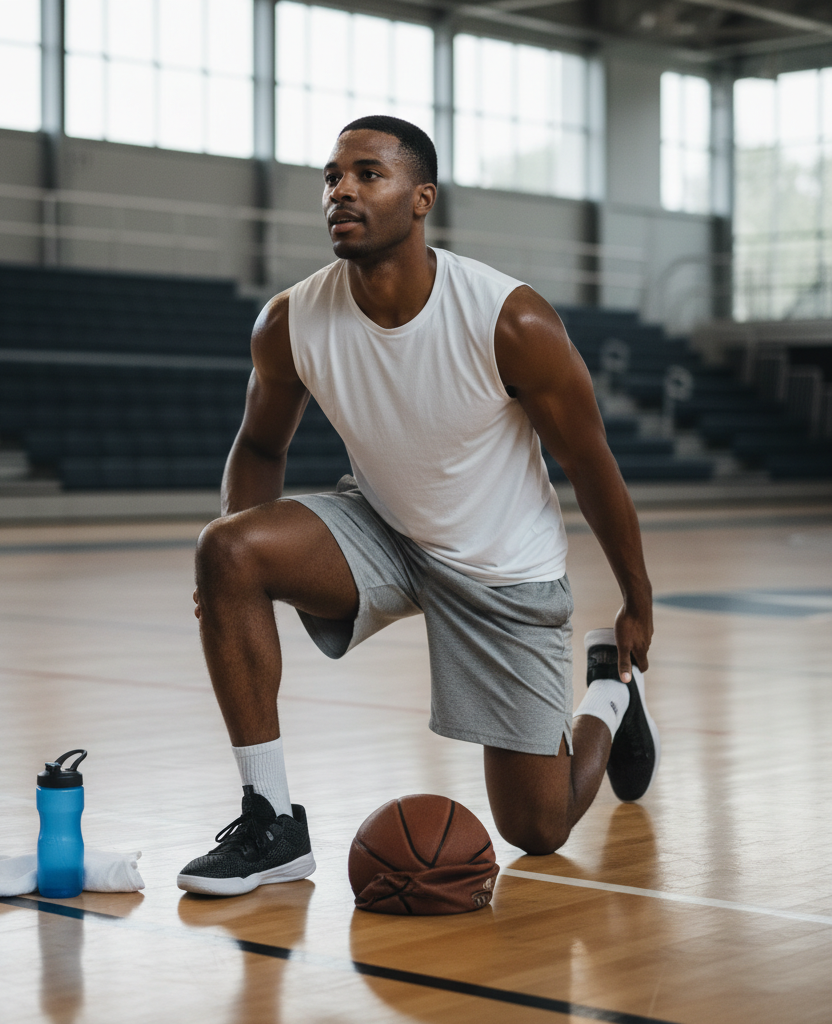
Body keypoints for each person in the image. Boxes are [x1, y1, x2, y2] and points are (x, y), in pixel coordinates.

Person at [176, 115, 657, 897]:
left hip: (503, 569)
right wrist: (232, 552)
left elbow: (589, 461)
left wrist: (637, 598)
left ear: (421, 198)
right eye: (332, 177)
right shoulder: (291, 320)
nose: (342, 191)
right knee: (226, 548)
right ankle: (271, 823)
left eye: (368, 174)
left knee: (537, 830)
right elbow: (259, 448)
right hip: (386, 531)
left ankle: (608, 688)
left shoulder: (510, 319)